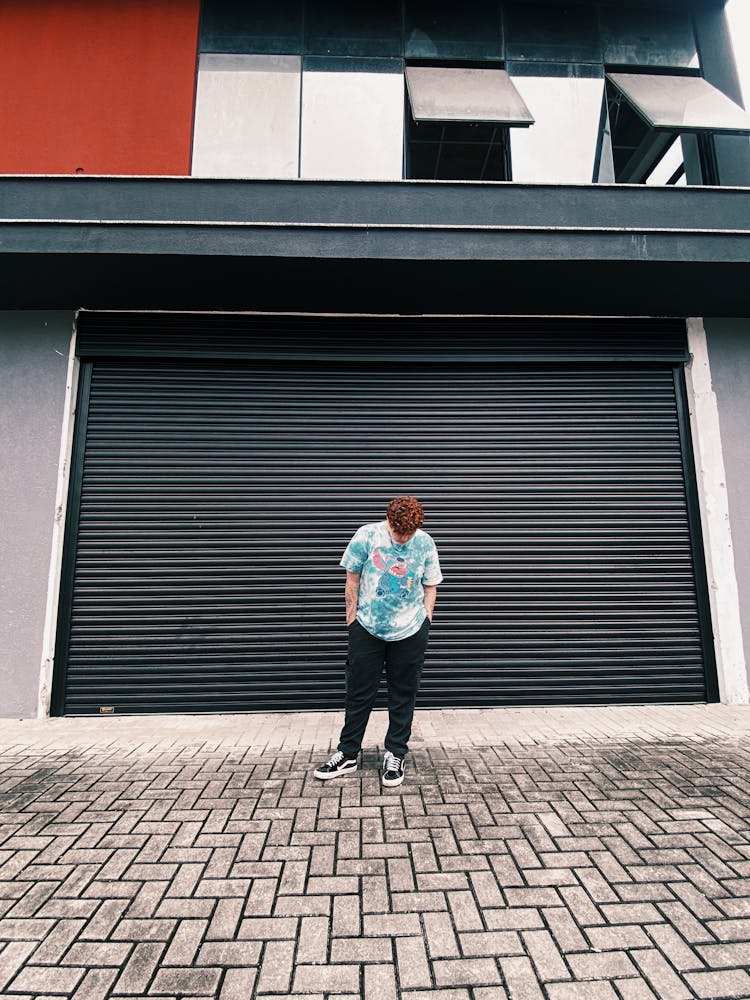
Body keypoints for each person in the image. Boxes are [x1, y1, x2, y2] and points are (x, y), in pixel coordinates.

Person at [314, 496, 443, 787]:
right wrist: (352, 622)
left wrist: (426, 619)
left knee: (403, 694)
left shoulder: (425, 543)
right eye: (400, 533)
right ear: (389, 522)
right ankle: (347, 754)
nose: (404, 539)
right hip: (367, 629)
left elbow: (431, 584)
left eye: (409, 533)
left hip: (410, 631)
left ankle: (395, 753)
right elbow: (352, 580)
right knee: (359, 694)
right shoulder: (366, 535)